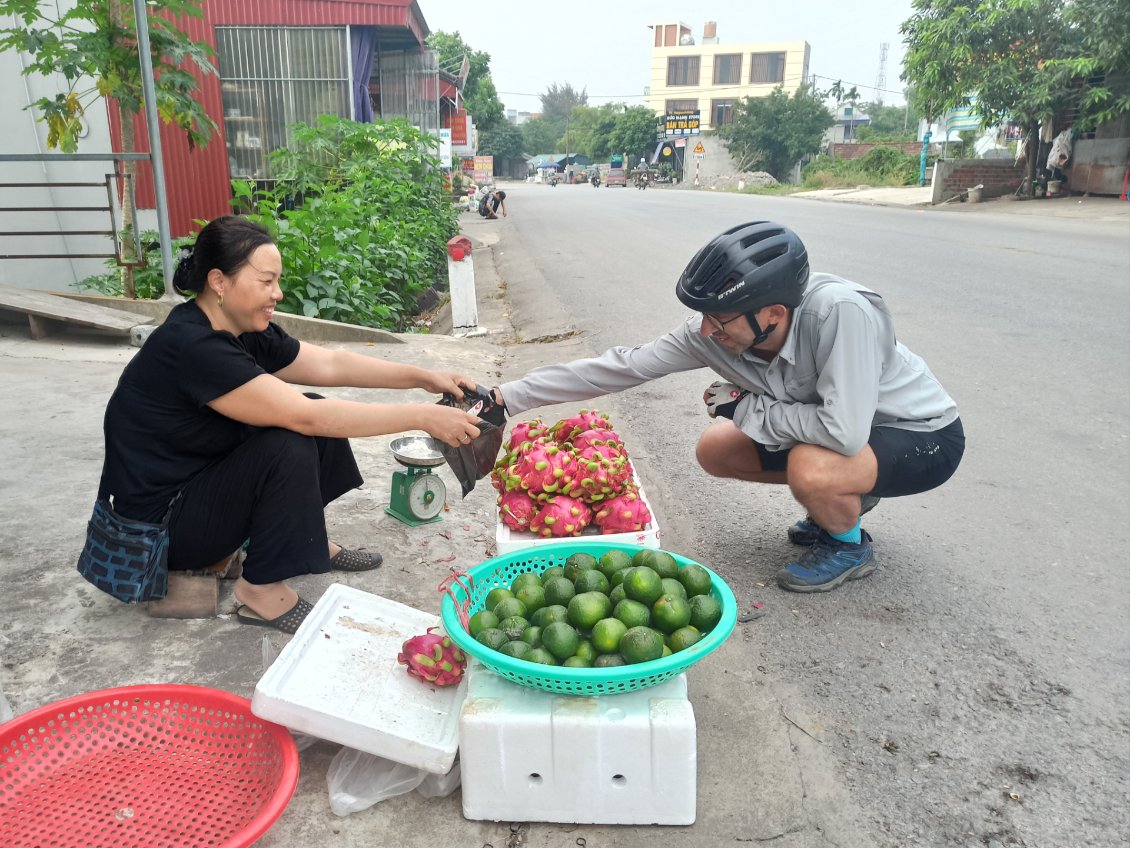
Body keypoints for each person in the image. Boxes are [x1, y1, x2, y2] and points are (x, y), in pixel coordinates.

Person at [488, 221, 964, 593]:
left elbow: (843, 433)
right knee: (716, 448)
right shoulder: (712, 333)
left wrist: (744, 409)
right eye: (702, 315)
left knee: (811, 467)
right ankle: (847, 496)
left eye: (719, 318)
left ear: (773, 314)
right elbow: (619, 367)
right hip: (843, 438)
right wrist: (505, 398)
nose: (704, 331)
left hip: (921, 436)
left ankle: (848, 544)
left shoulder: (839, 312)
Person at [99, 215, 483, 632]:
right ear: (219, 281)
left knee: (311, 409)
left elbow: (331, 363)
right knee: (294, 436)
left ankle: (305, 540)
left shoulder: (239, 329)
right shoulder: (192, 345)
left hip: (194, 488)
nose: (277, 294)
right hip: (159, 535)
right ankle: (259, 590)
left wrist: (423, 378)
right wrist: (422, 416)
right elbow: (307, 417)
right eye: (266, 282)